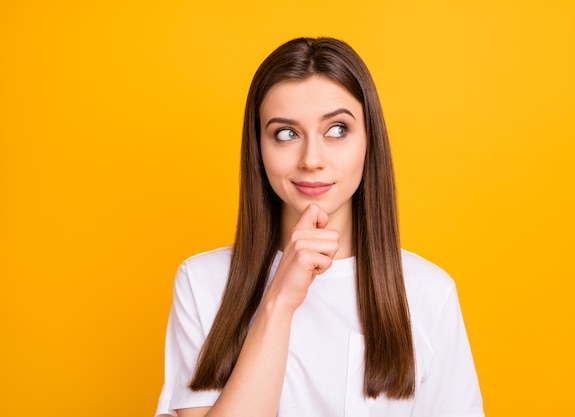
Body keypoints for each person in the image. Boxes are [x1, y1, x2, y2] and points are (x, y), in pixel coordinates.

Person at [155, 37, 484, 417]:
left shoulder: (429, 293)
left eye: (337, 129)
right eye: (286, 133)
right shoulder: (202, 283)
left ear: (368, 141)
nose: (311, 159)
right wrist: (278, 303)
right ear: (258, 148)